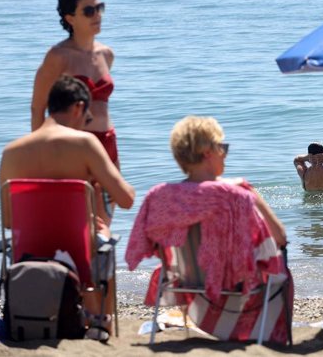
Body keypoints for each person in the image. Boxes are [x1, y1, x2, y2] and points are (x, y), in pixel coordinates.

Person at [125, 116, 291, 344]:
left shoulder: (159, 196)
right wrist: (250, 193)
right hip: (239, 285)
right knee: (280, 266)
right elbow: (280, 238)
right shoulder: (239, 195)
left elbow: (147, 243)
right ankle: (276, 336)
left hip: (186, 284)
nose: (225, 154)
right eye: (222, 147)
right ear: (207, 153)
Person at [0, 75, 135, 337]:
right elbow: (126, 200)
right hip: (78, 256)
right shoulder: (84, 144)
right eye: (86, 119)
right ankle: (100, 323)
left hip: (26, 256)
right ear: (78, 107)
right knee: (105, 242)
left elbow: (8, 221)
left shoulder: (11, 151)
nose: (85, 127)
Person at [31, 0, 119, 169]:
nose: (97, 15)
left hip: (107, 141)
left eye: (99, 8)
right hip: (72, 145)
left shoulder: (107, 54)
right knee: (76, 198)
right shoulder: (58, 56)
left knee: (110, 199)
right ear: (70, 19)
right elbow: (38, 108)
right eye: (89, 11)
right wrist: (39, 155)